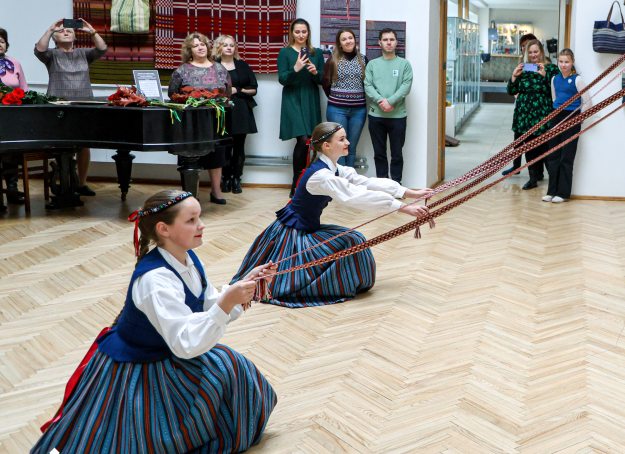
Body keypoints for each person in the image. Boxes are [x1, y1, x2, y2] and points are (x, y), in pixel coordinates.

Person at [30, 189, 277, 454]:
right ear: (164, 229)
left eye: (199, 217)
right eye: (191, 220)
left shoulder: (187, 259)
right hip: (138, 368)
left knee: (235, 368)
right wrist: (227, 302)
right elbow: (186, 344)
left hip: (167, 351)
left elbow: (206, 304)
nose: (201, 225)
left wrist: (242, 288)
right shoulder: (155, 280)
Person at [231, 121, 431, 308]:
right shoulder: (322, 175)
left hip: (306, 228)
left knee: (353, 239)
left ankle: (346, 283)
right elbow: (355, 195)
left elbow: (365, 182)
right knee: (352, 241)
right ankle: (333, 286)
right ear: (326, 146)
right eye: (342, 139)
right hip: (294, 235)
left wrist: (411, 193)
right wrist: (404, 208)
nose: (348, 142)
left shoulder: (333, 168)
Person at [34, 19, 108, 196]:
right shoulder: (51, 55)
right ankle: (65, 183)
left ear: (75, 37)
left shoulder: (84, 53)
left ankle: (81, 184)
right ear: (55, 38)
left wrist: (91, 30)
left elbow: (102, 49)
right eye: (61, 31)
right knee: (62, 146)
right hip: (59, 107)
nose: (65, 32)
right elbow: (39, 50)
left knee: (84, 146)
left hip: (83, 106)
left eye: (69, 31)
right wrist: (51, 29)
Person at [169, 33, 232, 205]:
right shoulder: (181, 71)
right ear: (189, 50)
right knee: (189, 157)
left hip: (214, 120)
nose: (200, 47)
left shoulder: (220, 69)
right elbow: (173, 94)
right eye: (196, 46)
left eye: (203, 44)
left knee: (217, 155)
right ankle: (189, 194)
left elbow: (227, 92)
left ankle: (216, 191)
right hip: (189, 122)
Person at [503, 39, 559, 189]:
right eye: (530, 52)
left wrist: (545, 76)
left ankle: (554, 182)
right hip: (524, 115)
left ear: (541, 51)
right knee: (528, 147)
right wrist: (514, 76)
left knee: (546, 148)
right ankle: (532, 178)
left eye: (536, 51)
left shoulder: (551, 69)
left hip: (543, 113)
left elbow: (556, 91)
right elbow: (511, 91)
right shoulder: (523, 68)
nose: (533, 55)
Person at [0, 27, 28, 204]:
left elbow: (24, 89)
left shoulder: (14, 63)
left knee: (10, 149)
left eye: (2, 41)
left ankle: (12, 188)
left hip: (11, 116)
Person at [277, 18, 324, 193]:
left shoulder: (316, 53)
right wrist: (296, 68)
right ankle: (296, 183)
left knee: (309, 141)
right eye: (297, 32)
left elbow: (322, 80)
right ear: (292, 33)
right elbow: (282, 79)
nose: (301, 35)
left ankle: (304, 183)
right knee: (303, 139)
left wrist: (315, 72)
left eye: (304, 31)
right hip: (293, 98)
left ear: (308, 33)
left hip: (310, 98)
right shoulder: (285, 52)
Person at [364, 28, 412, 182]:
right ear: (380, 43)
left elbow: (406, 86)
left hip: (398, 116)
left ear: (396, 42)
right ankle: (383, 185)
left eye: (391, 39)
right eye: (385, 40)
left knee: (397, 154)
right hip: (376, 116)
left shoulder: (404, 64)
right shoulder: (372, 64)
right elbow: (367, 85)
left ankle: (396, 185)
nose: (389, 43)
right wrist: (381, 101)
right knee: (379, 154)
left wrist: (390, 101)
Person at [543, 49, 591, 203]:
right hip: (556, 116)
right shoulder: (555, 79)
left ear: (572, 62)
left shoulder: (577, 79)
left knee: (566, 156)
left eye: (567, 62)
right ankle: (551, 191)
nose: (563, 65)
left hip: (571, 117)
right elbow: (554, 98)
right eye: (561, 61)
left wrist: (581, 117)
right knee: (553, 155)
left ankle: (562, 193)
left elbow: (587, 100)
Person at [215, 35, 258, 194]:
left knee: (239, 147)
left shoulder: (242, 65)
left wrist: (237, 90)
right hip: (221, 111)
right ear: (219, 47)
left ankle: (236, 178)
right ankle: (225, 178)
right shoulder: (213, 66)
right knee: (224, 147)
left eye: (231, 45)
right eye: (225, 45)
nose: (229, 48)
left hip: (241, 110)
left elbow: (253, 88)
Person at [322, 28, 367, 168]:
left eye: (350, 38)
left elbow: (368, 83)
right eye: (344, 39)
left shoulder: (363, 59)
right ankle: (339, 179)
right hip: (337, 110)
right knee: (339, 147)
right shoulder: (333, 60)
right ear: (339, 43)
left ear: (355, 40)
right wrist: (339, 98)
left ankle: (349, 180)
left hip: (358, 111)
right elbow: (325, 83)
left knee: (351, 148)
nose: (348, 41)